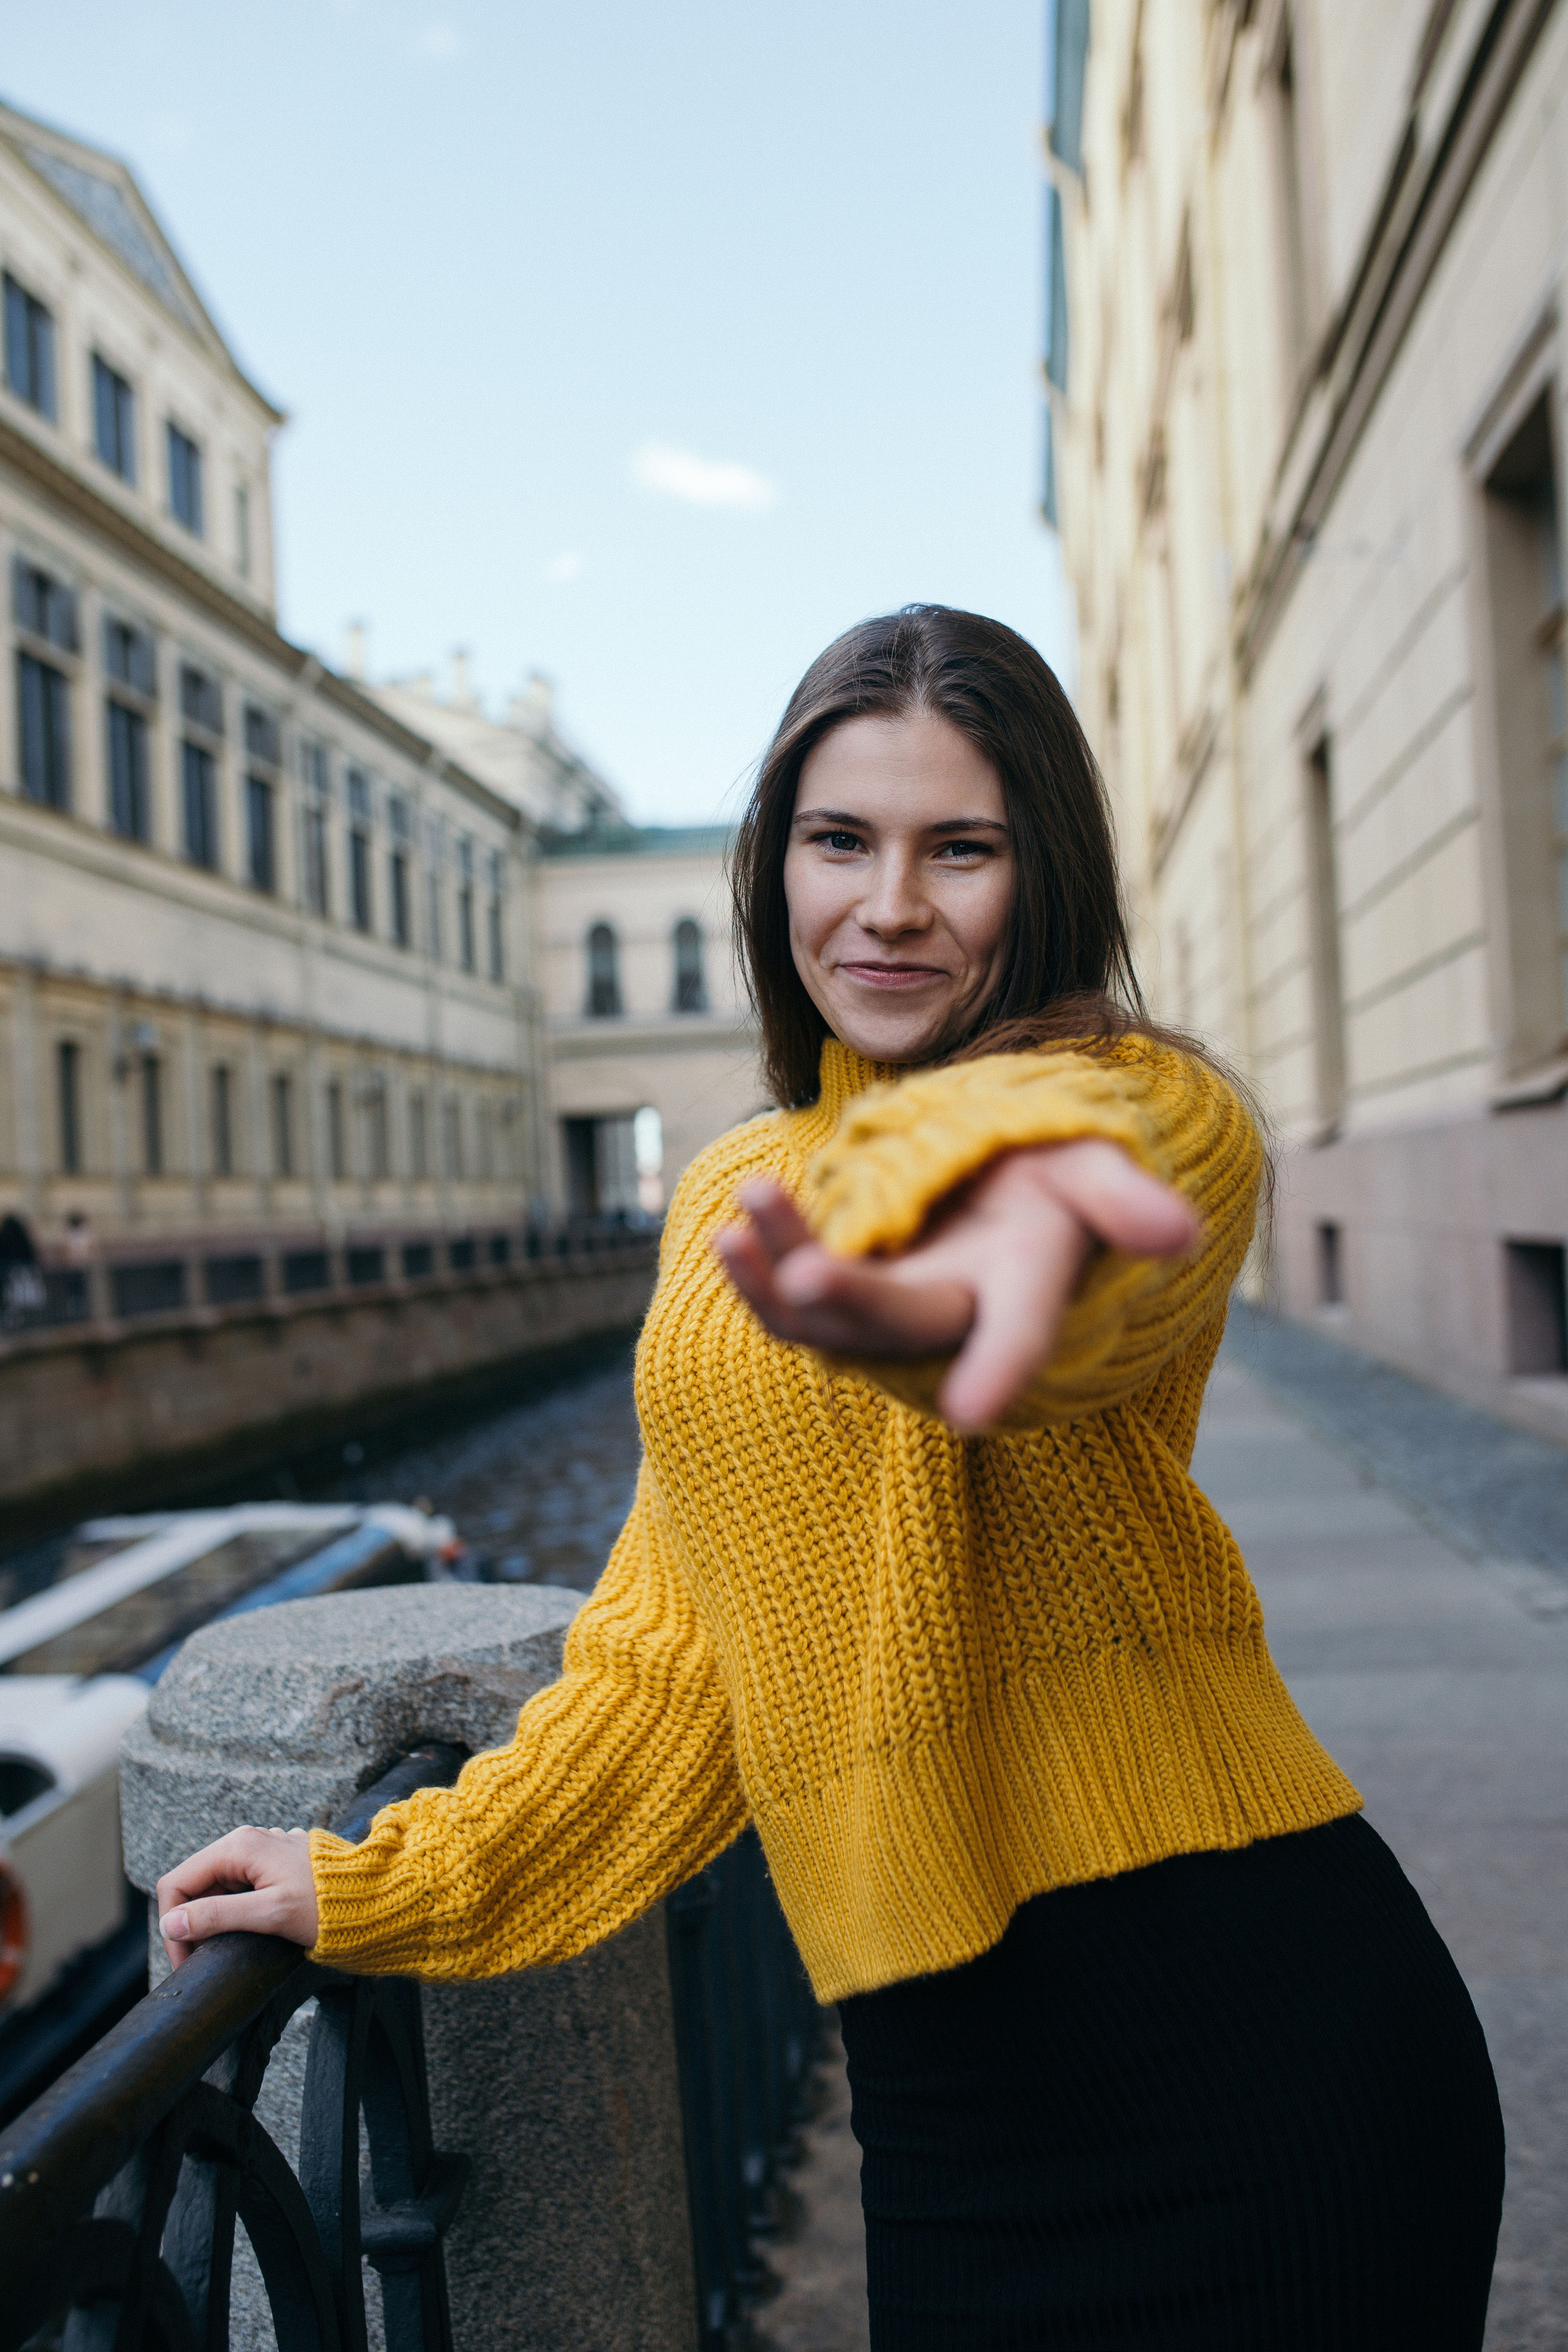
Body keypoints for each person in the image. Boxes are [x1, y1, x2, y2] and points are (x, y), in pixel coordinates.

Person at [159, 608, 1503, 2350]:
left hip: (1254, 2034)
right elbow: (667, 1662)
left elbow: (1072, 1221)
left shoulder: (1149, 1112)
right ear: (772, 864)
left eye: (964, 848)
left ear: (1047, 879)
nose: (890, 904)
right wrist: (393, 1880)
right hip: (954, 2100)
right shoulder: (729, 1197)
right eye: (840, 840)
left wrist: (942, 1270)